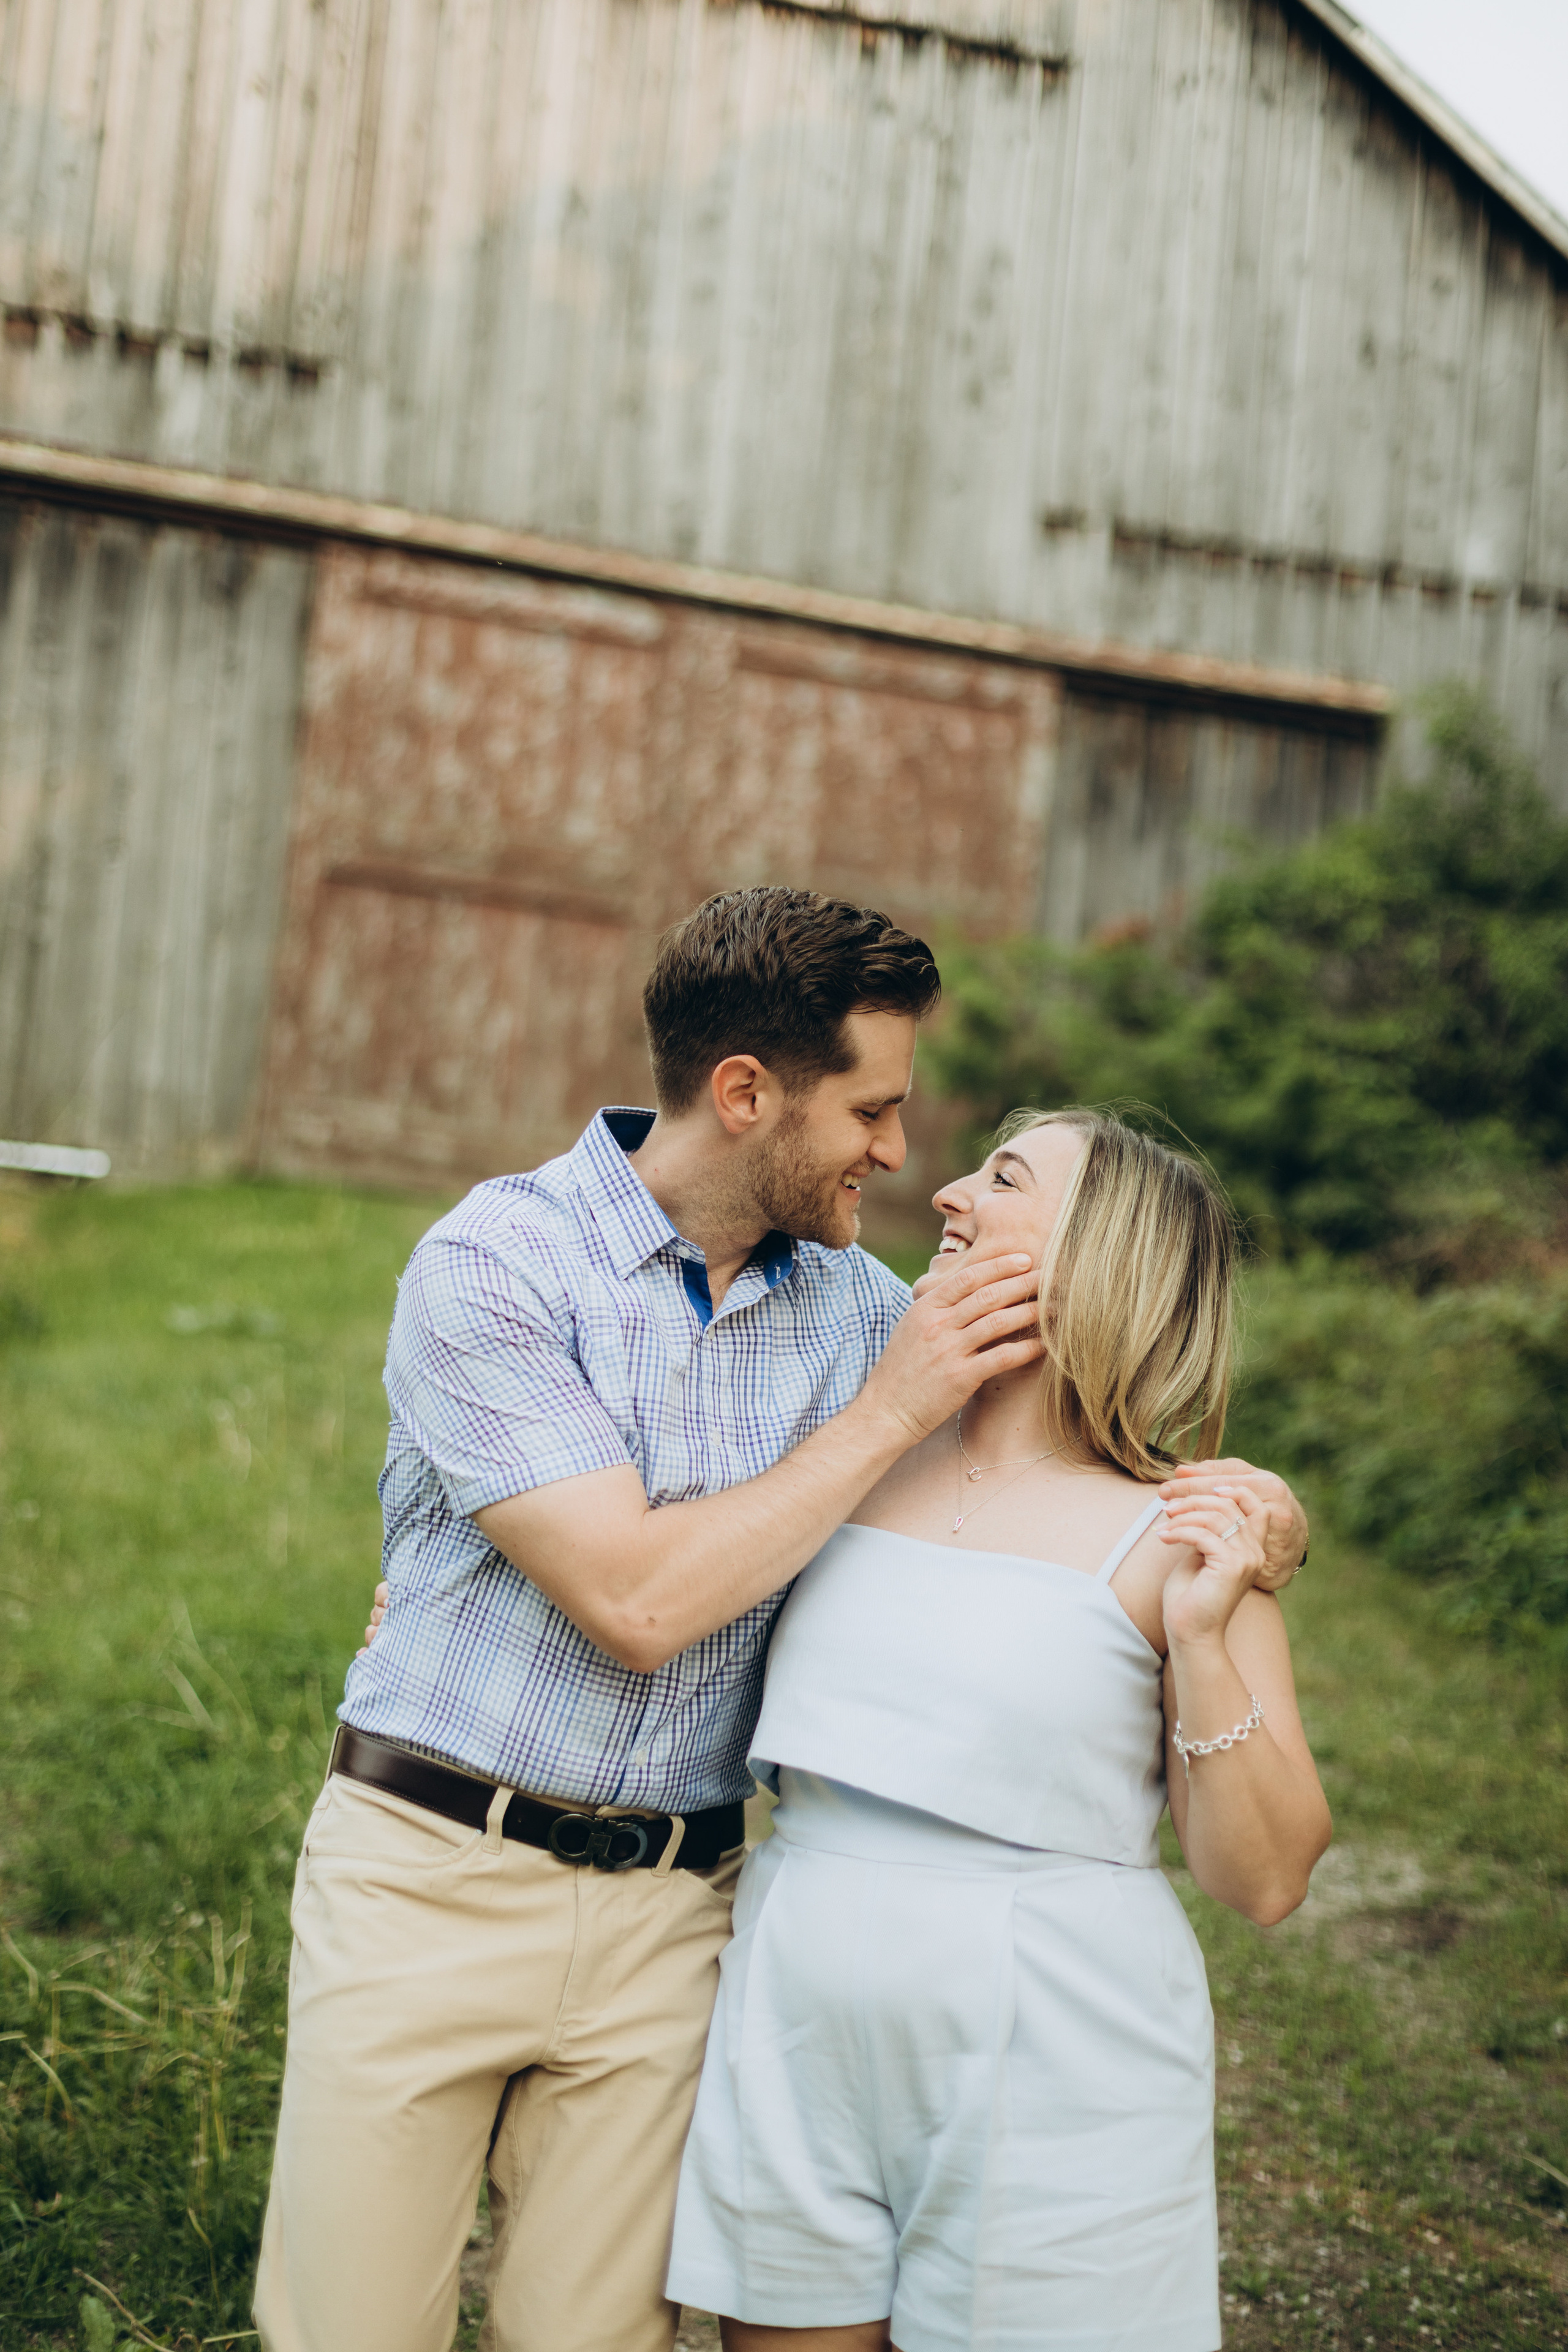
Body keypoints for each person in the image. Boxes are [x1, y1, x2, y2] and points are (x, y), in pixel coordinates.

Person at [255, 891, 1310, 2352]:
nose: (902, 1158)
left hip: (679, 1915)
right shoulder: (496, 1262)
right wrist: (890, 1411)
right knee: (350, 2330)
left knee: (592, 2337)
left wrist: (1257, 1521)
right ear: (746, 1094)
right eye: (873, 1111)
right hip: (435, 1868)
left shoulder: (860, 1313)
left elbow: (1051, 1440)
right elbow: (632, 1600)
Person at [666, 1107, 1333, 2352]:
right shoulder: (840, 1461)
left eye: (1004, 1176)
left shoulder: (1182, 1532)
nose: (951, 1191)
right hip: (794, 1994)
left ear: (1094, 1256)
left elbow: (1264, 1879)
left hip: (1053, 2046)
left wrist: (1197, 1637)